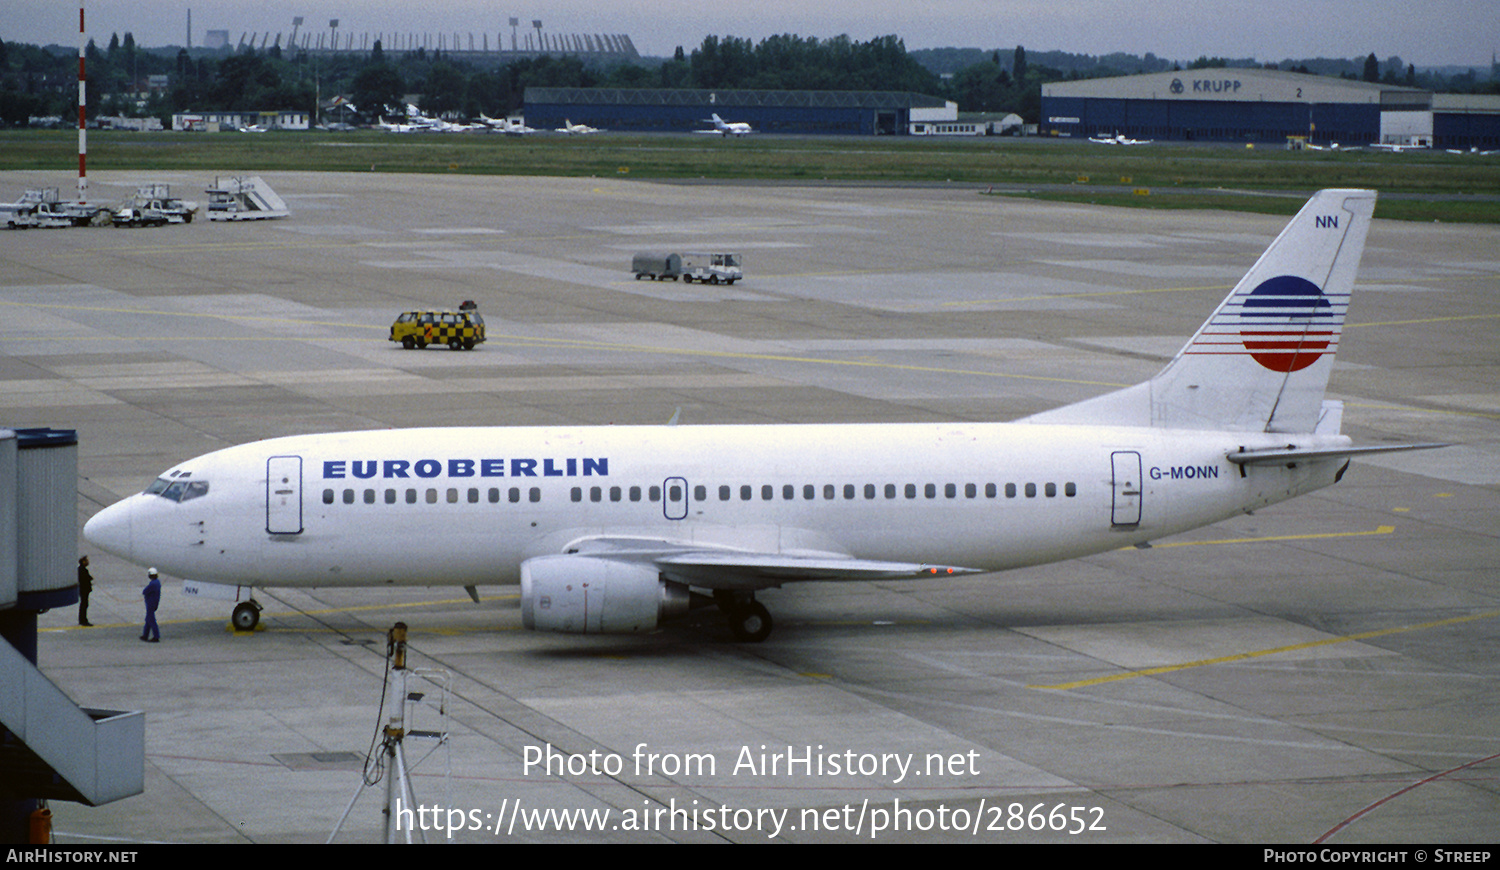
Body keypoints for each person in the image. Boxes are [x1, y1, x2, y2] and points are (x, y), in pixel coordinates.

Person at [141, 568, 161, 642]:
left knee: (151, 620)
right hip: (154, 603)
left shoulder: (152, 584)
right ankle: (145, 635)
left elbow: (145, 591)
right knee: (148, 620)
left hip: (150, 604)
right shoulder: (157, 582)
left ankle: (156, 636)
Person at [77, 555, 93, 626]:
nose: (87, 562)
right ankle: (83, 620)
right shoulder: (83, 570)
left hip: (83, 590)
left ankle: (82, 619)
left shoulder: (80, 569)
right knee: (84, 605)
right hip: (84, 590)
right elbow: (85, 579)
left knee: (84, 604)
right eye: (86, 561)